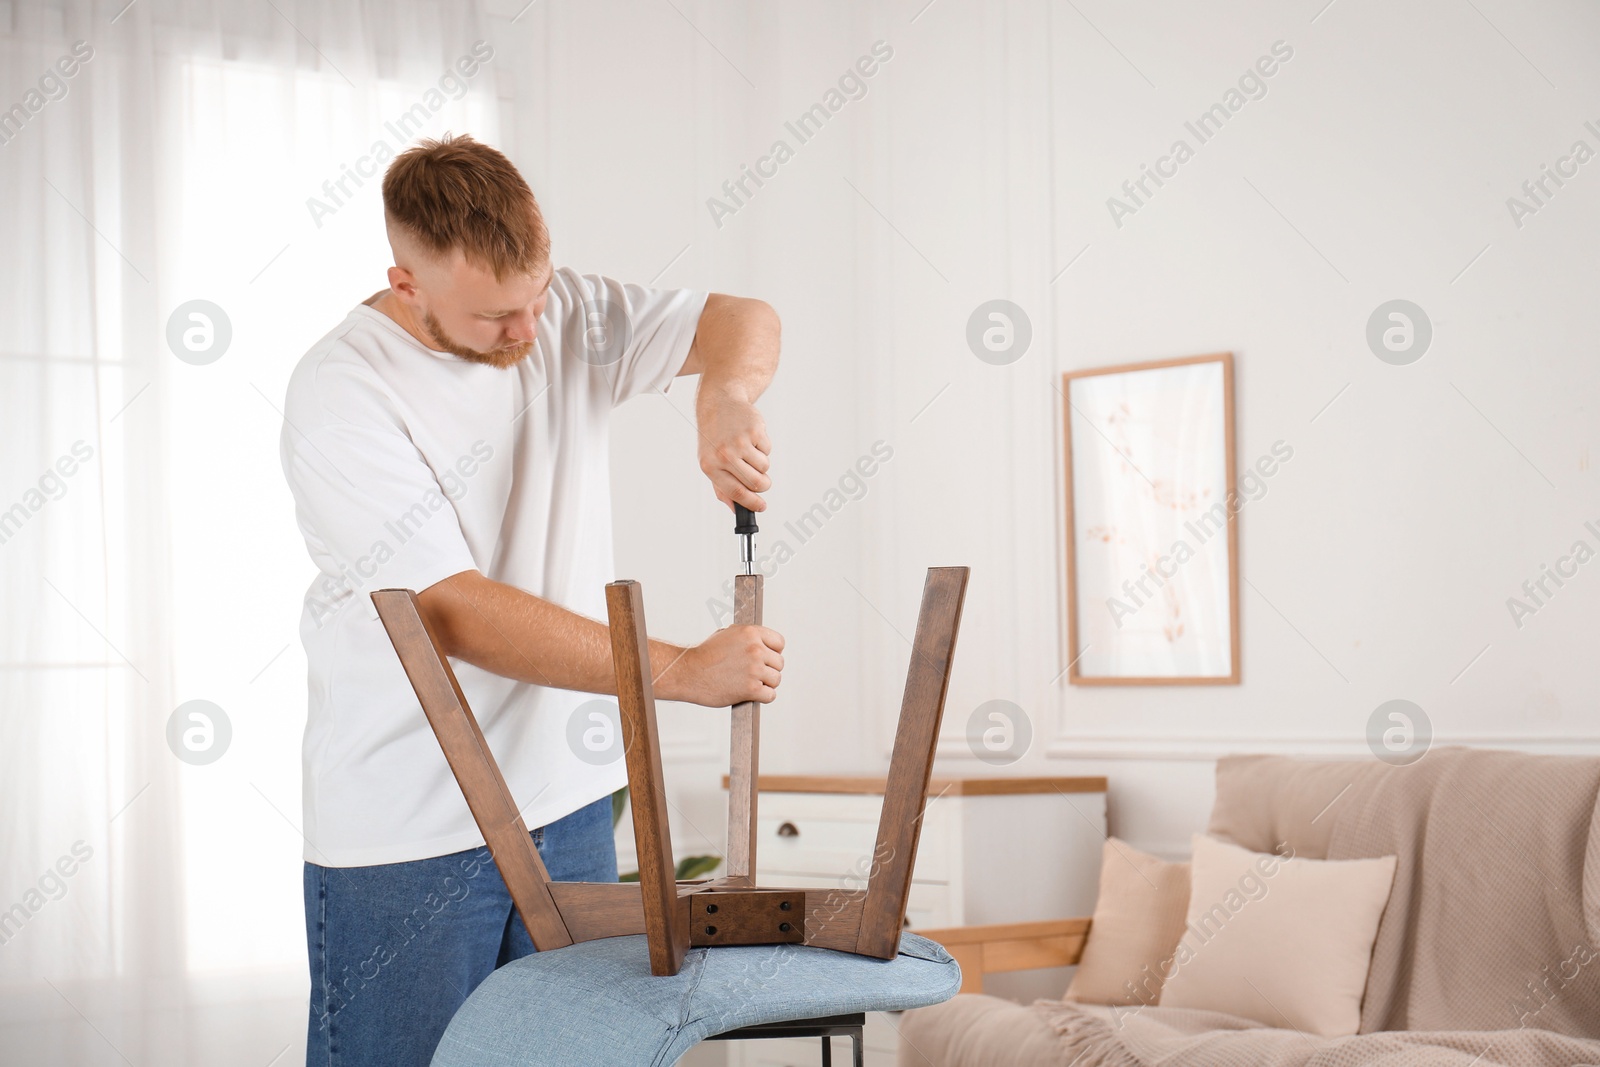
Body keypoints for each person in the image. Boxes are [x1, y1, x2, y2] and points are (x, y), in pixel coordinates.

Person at [278, 133, 785, 1066]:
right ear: (406, 285)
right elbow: (453, 612)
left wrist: (725, 393)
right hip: (410, 826)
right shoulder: (342, 391)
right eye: (495, 316)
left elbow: (741, 315)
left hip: (570, 801)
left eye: (537, 297)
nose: (527, 332)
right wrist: (678, 669)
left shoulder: (565, 313)